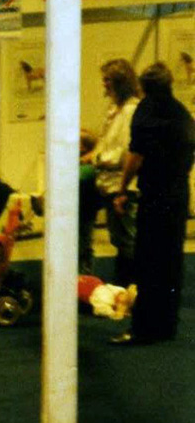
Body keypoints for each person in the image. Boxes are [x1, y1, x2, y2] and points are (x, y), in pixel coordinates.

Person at [111, 62, 195, 345]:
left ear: (142, 86)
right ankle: (166, 325)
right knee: (171, 261)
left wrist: (122, 189)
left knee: (148, 261)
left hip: (155, 194)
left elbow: (136, 156)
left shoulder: (145, 112)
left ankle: (144, 328)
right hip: (178, 193)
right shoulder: (182, 113)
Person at [78, 59, 141, 279]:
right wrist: (92, 153)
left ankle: (130, 286)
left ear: (120, 82)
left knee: (127, 241)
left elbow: (124, 152)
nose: (104, 84)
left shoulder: (131, 111)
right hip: (107, 184)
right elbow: (106, 143)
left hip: (122, 185)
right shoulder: (114, 108)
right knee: (119, 239)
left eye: (108, 80)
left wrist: (95, 159)